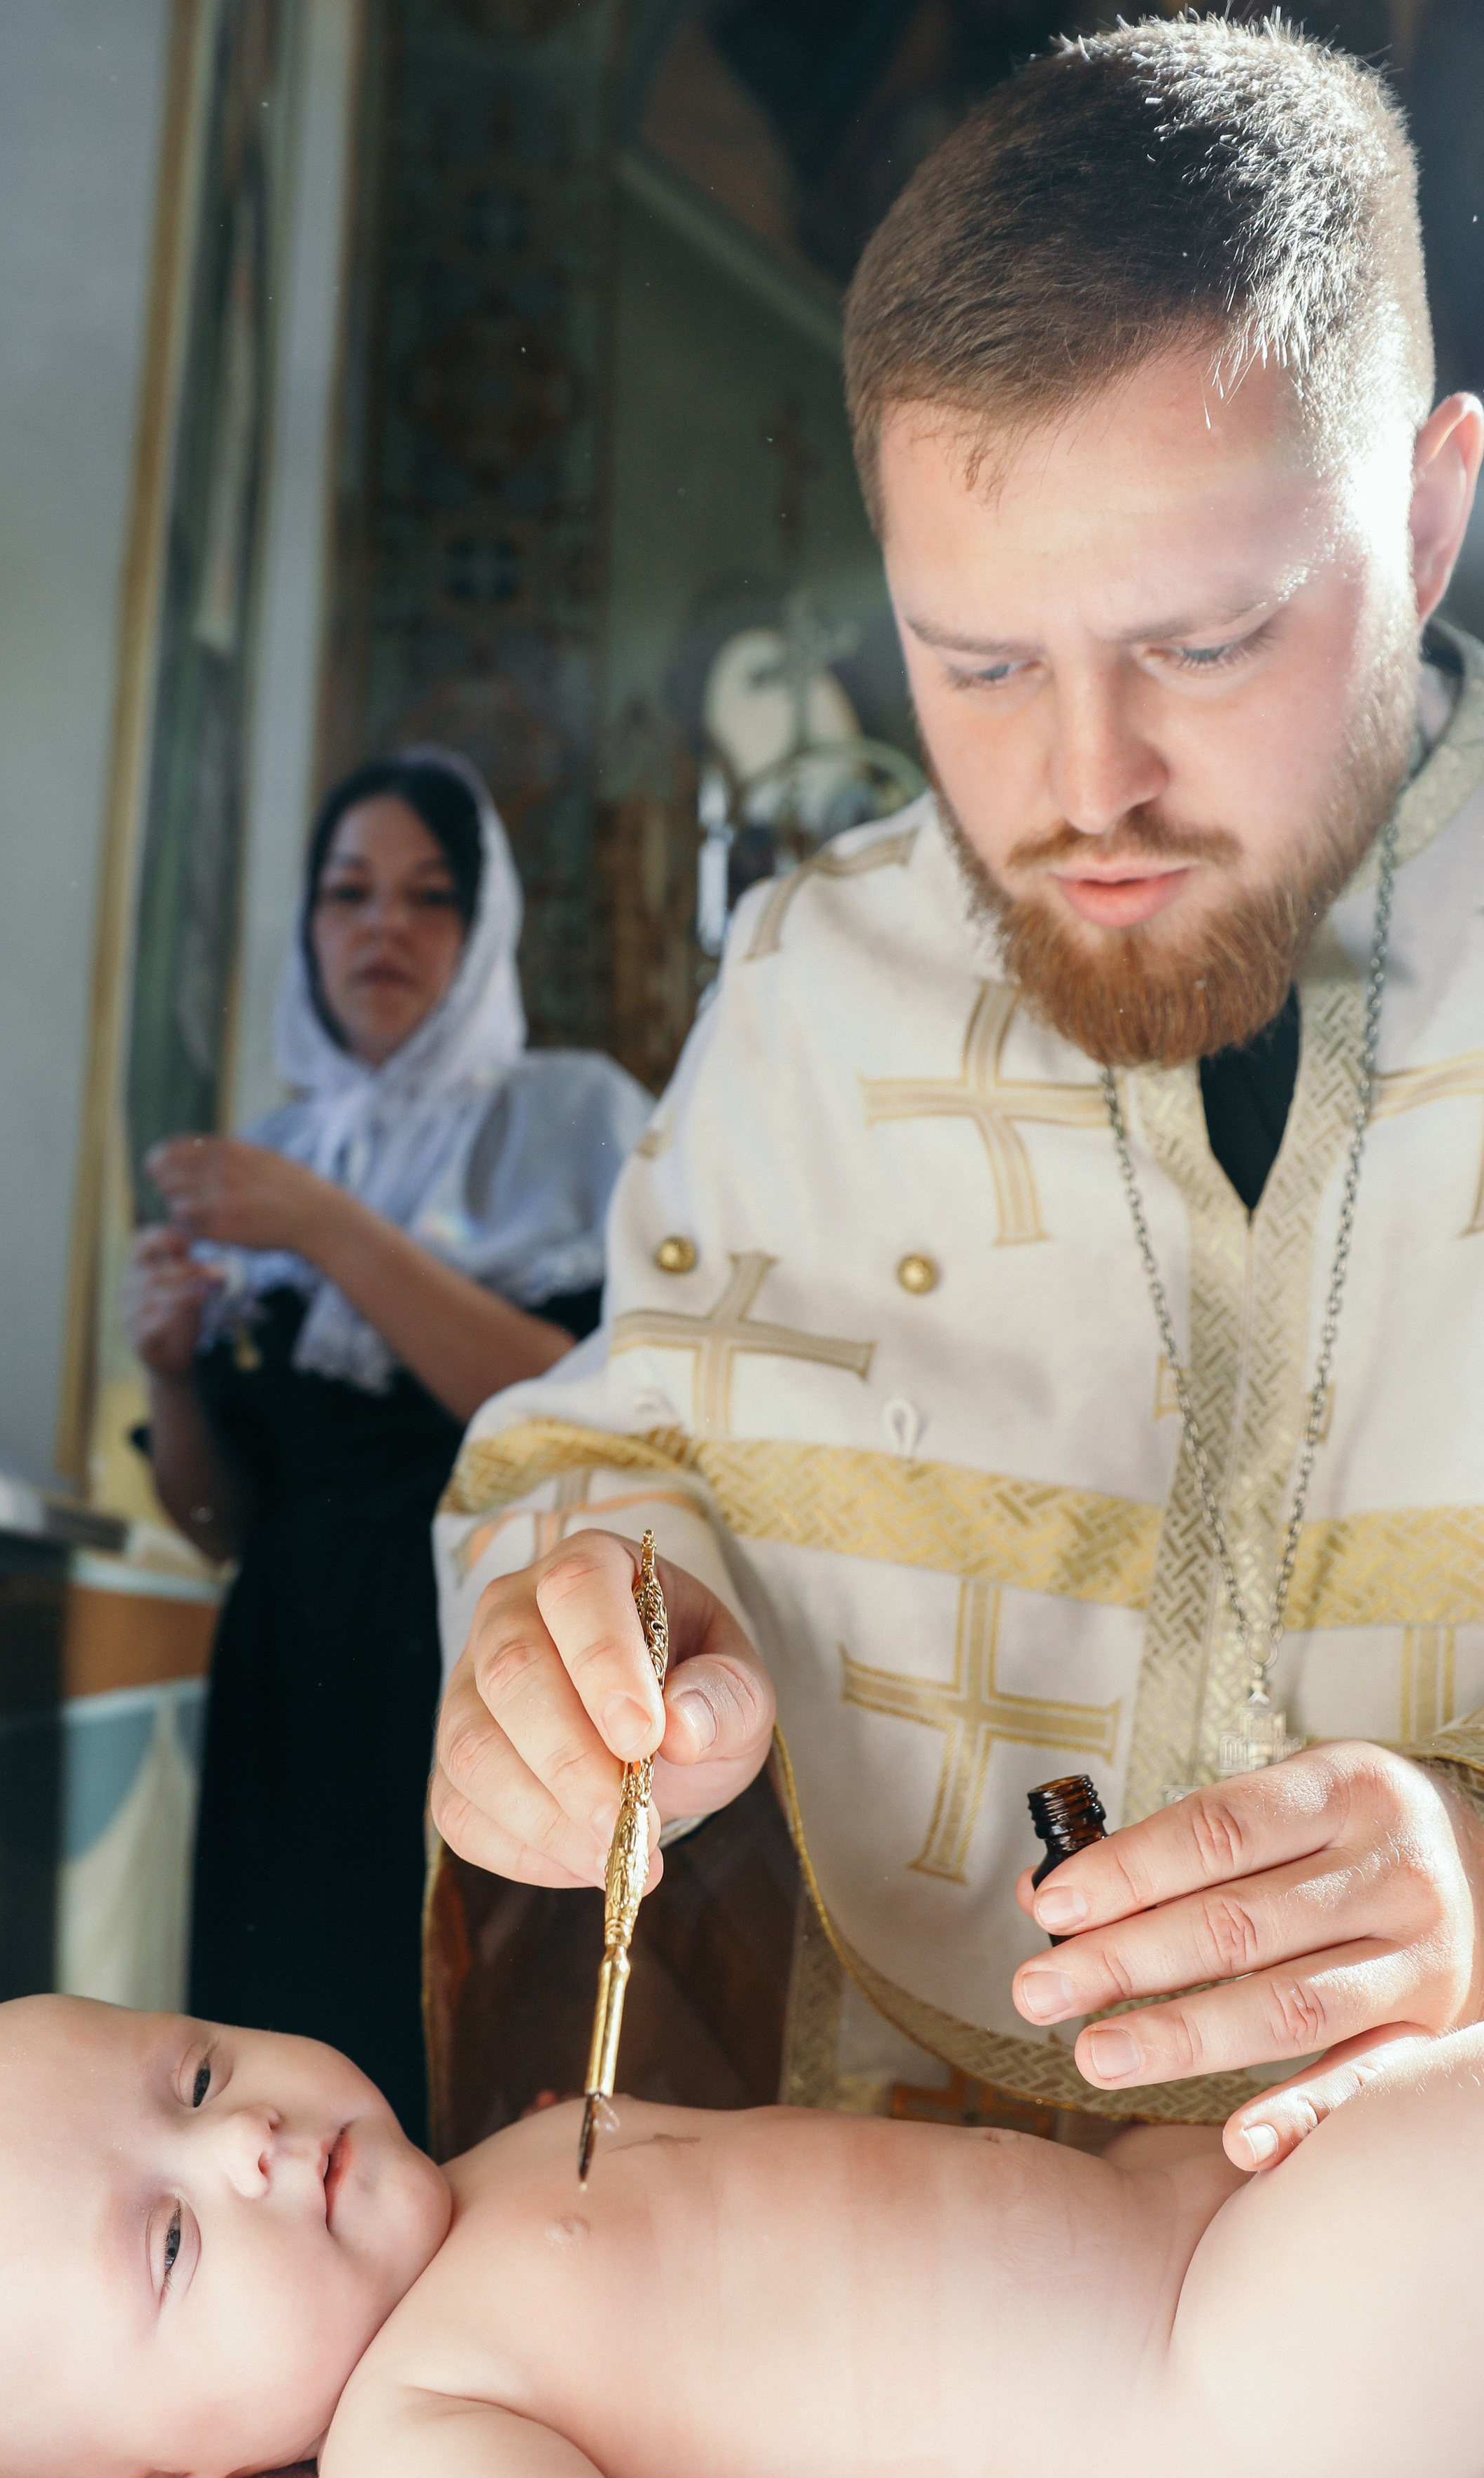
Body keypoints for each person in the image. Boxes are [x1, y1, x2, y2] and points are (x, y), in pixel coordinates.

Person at [430, 17, 1484, 2169]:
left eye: (1206, 643)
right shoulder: (813, 979)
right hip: (919, 2203)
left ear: (1436, 510)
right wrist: (599, 1635)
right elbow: (628, 1446)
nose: (1084, 784)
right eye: (979, 664)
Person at [0, 1994, 1484, 2478]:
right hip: (1237, 2390)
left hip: (1182, 2205)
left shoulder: (480, 2168)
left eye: (188, 2077)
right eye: (168, 2241)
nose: (237, 2140)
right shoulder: (420, 2423)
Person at [124, 750, 650, 2140]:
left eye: (428, 898)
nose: (381, 927)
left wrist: (321, 1228)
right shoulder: (278, 1151)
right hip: (288, 1661)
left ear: (483, 935)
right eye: (348, 892)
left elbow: (576, 1396)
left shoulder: (572, 1120)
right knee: (278, 2044)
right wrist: (171, 1377)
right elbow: (222, 1521)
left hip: (475, 1641)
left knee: (469, 2049)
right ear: (304, 924)